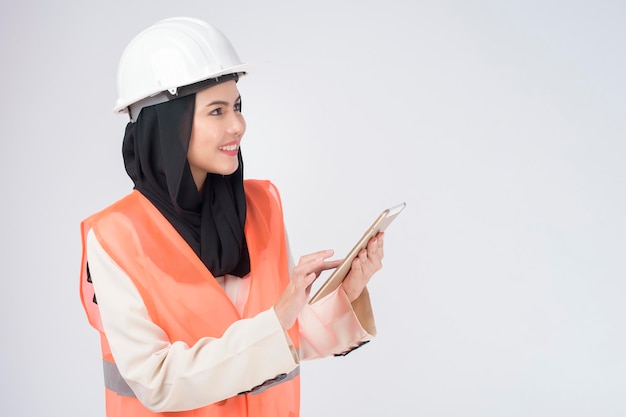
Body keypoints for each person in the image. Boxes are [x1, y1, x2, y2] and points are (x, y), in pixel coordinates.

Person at [79, 16, 384, 417]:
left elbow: (285, 340)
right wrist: (278, 318)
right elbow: (156, 381)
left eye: (237, 107)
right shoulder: (115, 236)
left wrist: (347, 291)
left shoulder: (262, 206)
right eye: (217, 111)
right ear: (169, 125)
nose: (238, 125)